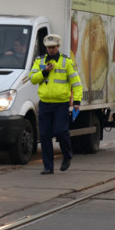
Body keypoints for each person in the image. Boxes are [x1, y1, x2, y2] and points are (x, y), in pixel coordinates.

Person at [29, 34, 83, 175]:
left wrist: (76, 101)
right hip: (45, 104)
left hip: (61, 104)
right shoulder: (40, 61)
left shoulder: (66, 62)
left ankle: (67, 155)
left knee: (61, 131)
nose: (51, 50)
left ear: (58, 47)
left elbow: (76, 84)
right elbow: (33, 79)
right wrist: (45, 72)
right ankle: (48, 166)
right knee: (45, 135)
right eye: (49, 47)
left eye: (53, 47)